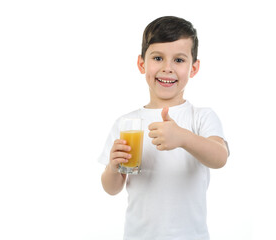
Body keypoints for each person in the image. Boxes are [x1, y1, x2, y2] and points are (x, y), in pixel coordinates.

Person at [98, 16, 229, 240]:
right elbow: (112, 188)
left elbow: (220, 158)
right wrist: (113, 167)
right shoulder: (126, 123)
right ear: (142, 64)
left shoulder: (201, 117)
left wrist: (184, 138)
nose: (167, 68)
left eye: (179, 60)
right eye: (158, 58)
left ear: (194, 68)